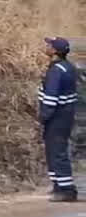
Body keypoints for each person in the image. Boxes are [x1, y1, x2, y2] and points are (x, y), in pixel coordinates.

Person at [39, 37, 78, 202]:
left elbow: (50, 98)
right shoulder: (68, 67)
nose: (46, 47)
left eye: (49, 45)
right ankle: (58, 185)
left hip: (56, 117)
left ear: (55, 51)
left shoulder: (56, 71)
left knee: (57, 152)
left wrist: (44, 116)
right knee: (55, 151)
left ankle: (66, 189)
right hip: (66, 115)